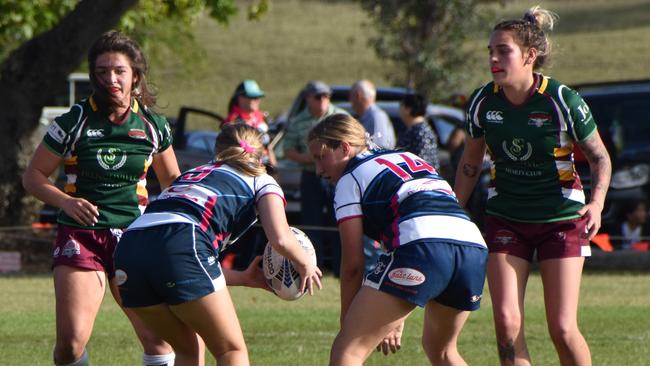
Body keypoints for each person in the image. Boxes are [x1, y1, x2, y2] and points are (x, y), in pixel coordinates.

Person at [453, 6, 612, 366]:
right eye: (490, 51)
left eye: (503, 51)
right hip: (506, 218)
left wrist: (597, 203)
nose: (493, 58)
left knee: (561, 328)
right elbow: (470, 162)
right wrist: (453, 209)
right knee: (507, 326)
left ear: (529, 56)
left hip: (562, 219)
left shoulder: (562, 99)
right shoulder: (482, 102)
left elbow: (600, 157)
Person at [22, 31, 181, 366]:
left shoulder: (153, 125)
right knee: (70, 344)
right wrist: (65, 202)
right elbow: (33, 177)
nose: (111, 78)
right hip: (82, 237)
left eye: (119, 71)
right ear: (94, 76)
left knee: (157, 339)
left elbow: (173, 184)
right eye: (102, 71)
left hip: (135, 238)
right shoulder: (74, 120)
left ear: (135, 75)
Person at [114, 123, 323, 365]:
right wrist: (304, 262)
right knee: (231, 351)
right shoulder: (262, 179)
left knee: (187, 351)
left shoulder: (193, 174)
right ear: (262, 154)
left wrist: (243, 277)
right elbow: (280, 238)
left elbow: (186, 260)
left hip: (129, 250)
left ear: (217, 151)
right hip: (182, 241)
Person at [307, 113, 488, 366]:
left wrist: (347, 324)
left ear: (345, 148)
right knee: (443, 350)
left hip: (424, 245)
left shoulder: (350, 178)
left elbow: (353, 265)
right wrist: (395, 314)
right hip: (472, 245)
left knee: (347, 352)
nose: (318, 169)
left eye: (321, 157)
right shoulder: (409, 158)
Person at [283, 80, 347, 273]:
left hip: (336, 178)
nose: (323, 100)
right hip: (310, 176)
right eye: (318, 96)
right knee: (312, 223)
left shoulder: (340, 117)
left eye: (327, 95)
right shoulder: (298, 120)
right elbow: (287, 149)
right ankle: (314, 265)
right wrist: (310, 158)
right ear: (308, 98)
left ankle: (340, 267)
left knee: (341, 221)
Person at [223, 79, 276, 167]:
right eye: (253, 97)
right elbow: (231, 150)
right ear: (240, 98)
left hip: (266, 164)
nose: (258, 100)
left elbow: (268, 145)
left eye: (259, 97)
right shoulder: (232, 122)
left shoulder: (260, 116)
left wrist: (274, 165)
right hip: (247, 166)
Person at [397, 93, 440, 171]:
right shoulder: (414, 129)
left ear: (408, 109)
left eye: (401, 106)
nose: (399, 110)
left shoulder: (421, 132)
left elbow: (421, 162)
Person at [349, 79, 396, 150]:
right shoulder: (367, 116)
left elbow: (380, 147)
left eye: (351, 96)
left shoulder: (377, 116)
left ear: (358, 95)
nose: (349, 99)